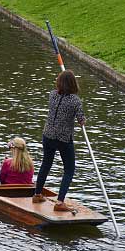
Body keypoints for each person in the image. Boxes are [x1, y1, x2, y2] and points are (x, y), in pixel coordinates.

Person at [32, 70, 85, 212]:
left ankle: (37, 194)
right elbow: (81, 120)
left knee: (46, 164)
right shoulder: (75, 101)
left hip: (48, 135)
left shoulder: (52, 95)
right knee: (69, 169)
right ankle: (60, 202)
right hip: (63, 138)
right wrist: (82, 120)